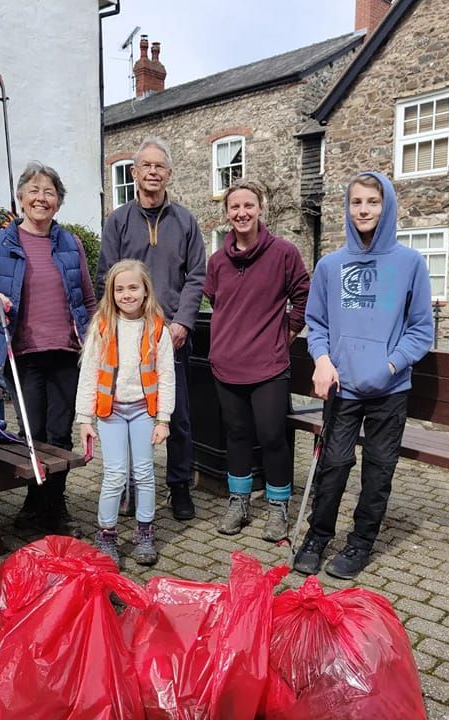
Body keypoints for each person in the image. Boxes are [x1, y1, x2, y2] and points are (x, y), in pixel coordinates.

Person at [294, 171, 433, 580]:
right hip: (343, 386)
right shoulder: (330, 265)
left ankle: (360, 543)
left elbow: (421, 330)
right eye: (356, 202)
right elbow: (315, 323)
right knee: (333, 464)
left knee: (378, 468)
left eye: (372, 202)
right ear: (347, 207)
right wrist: (321, 360)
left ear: (386, 205)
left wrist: (390, 364)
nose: (364, 210)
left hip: (389, 390)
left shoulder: (410, 264)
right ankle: (318, 536)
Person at [0, 162, 96, 537]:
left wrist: (94, 341)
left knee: (59, 434)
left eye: (50, 192)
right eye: (35, 191)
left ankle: (53, 509)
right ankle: (34, 505)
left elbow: (89, 300)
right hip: (23, 353)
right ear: (21, 198)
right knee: (34, 433)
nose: (42, 198)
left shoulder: (71, 243)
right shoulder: (0, 242)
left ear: (58, 203)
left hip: (65, 352)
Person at [97, 137, 206, 522]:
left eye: (160, 166)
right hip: (127, 337)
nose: (153, 172)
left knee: (176, 416)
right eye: (147, 166)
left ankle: (178, 487)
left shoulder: (186, 222)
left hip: (171, 336)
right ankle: (125, 486)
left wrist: (183, 323)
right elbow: (107, 279)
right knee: (125, 412)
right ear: (135, 172)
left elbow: (196, 277)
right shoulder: (118, 221)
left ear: (169, 174)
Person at [202, 180, 310, 542]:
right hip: (227, 365)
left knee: (271, 436)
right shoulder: (217, 261)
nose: (242, 213)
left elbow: (304, 296)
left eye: (249, 205)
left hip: (269, 366)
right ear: (227, 213)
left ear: (260, 208)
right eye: (235, 207)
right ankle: (240, 501)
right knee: (236, 434)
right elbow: (218, 304)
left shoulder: (284, 253)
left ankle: (278, 506)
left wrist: (288, 333)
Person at [75, 259, 174, 566]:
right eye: (119, 289)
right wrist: (84, 419)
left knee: (144, 473)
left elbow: (167, 377)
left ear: (146, 291)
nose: (127, 294)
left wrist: (164, 419)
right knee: (115, 475)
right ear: (111, 292)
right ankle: (106, 535)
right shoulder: (102, 326)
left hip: (145, 412)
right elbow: (89, 373)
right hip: (111, 413)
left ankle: (145, 532)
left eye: (133, 287)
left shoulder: (158, 330)